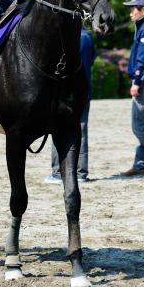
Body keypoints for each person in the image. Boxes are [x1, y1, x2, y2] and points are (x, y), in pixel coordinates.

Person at [45, 28, 96, 184]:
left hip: (62, 92)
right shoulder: (87, 36)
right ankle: (81, 173)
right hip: (83, 91)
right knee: (81, 132)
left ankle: (58, 173)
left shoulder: (60, 34)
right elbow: (91, 60)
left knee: (58, 130)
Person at [120, 0, 144, 177]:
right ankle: (140, 165)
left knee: (138, 127)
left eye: (133, 9)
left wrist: (136, 81)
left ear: (143, 10)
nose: (130, 13)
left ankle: (141, 164)